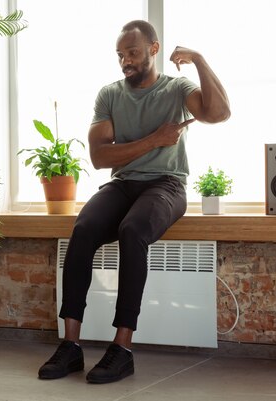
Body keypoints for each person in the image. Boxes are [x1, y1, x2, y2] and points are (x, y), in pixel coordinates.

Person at [37, 20, 230, 384]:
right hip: (124, 184)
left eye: (133, 52)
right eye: (121, 55)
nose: (125, 60)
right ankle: (71, 346)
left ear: (154, 50)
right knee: (83, 229)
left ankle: (122, 348)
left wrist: (201, 60)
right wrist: (155, 140)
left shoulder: (177, 89)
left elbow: (218, 114)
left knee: (133, 230)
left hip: (167, 185)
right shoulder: (109, 95)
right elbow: (99, 157)